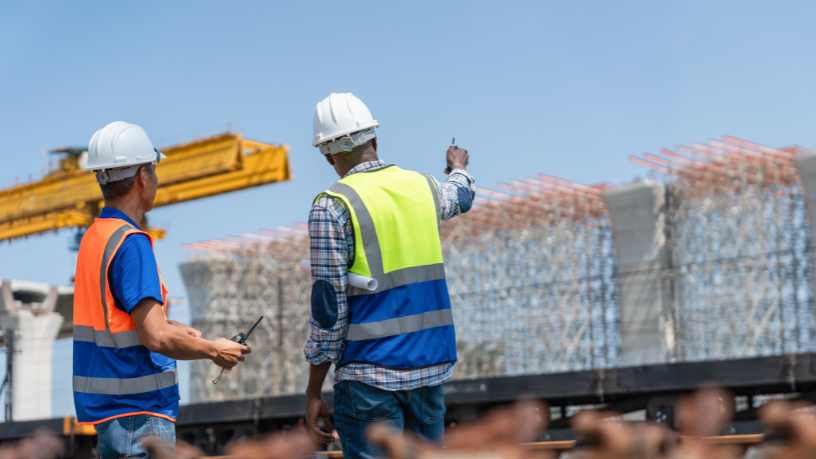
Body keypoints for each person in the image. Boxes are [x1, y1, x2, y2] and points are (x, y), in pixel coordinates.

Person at [303, 93, 475, 458]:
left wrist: (314, 390)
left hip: (368, 377)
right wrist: (458, 166)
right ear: (375, 140)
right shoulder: (424, 187)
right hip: (430, 369)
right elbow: (460, 195)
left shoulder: (332, 206)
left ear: (328, 155)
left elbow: (328, 313)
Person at [72, 121, 251, 458]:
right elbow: (154, 337)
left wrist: (179, 330)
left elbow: (120, 321)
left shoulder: (95, 237)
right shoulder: (131, 243)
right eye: (154, 170)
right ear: (143, 176)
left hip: (112, 414)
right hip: (140, 416)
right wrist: (214, 350)